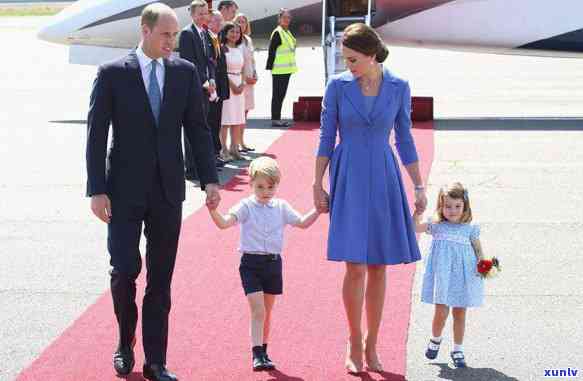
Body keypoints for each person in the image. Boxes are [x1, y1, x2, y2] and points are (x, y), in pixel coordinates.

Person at [86, 3, 220, 381]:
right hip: (122, 192)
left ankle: (156, 361)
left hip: (167, 193)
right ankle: (124, 342)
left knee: (161, 280)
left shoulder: (184, 72)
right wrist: (96, 189)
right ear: (144, 31)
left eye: (175, 34)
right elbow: (96, 136)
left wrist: (210, 179)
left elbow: (197, 128)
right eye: (165, 34)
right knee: (124, 271)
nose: (172, 41)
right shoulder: (112, 74)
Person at [312, 23, 427, 373]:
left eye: (353, 59)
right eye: (345, 59)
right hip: (348, 177)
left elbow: (404, 139)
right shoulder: (336, 86)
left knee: (378, 265)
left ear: (372, 55)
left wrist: (419, 186)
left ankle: (373, 343)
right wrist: (317, 183)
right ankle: (354, 338)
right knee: (355, 265)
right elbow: (325, 137)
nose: (348, 66)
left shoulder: (399, 86)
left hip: (384, 176)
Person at [207, 157, 323, 371]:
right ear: (251, 184)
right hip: (250, 264)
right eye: (260, 186)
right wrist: (213, 210)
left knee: (267, 312)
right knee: (258, 310)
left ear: (277, 184)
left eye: (271, 186)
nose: (266, 191)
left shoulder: (281, 206)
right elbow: (224, 224)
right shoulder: (246, 206)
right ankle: (257, 353)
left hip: (273, 264)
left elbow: (302, 223)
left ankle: (264, 350)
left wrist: (318, 210)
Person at [413, 183, 484, 369]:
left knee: (460, 312)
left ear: (465, 206)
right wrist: (417, 211)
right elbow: (414, 228)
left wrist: (483, 264)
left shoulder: (470, 228)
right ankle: (435, 339)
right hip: (443, 275)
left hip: (464, 274)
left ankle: (458, 349)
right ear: (441, 206)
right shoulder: (436, 226)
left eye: (457, 206)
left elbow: (478, 248)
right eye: (448, 206)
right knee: (441, 311)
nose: (452, 211)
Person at [179, 0, 216, 181]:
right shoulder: (187, 34)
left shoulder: (205, 33)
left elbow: (209, 60)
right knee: (192, 127)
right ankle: (191, 168)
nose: (203, 16)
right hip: (193, 88)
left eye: (205, 12)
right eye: (200, 13)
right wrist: (203, 81)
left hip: (206, 87)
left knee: (202, 126)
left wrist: (212, 79)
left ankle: (200, 164)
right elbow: (189, 62)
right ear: (192, 14)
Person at [266, 8, 297, 127]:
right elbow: (271, 50)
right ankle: (275, 119)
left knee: (281, 94)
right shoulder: (278, 32)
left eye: (288, 17)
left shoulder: (287, 32)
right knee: (277, 94)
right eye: (284, 17)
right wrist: (270, 67)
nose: (287, 20)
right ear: (279, 19)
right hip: (279, 69)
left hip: (286, 69)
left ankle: (277, 117)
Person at [219, 22, 245, 161]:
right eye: (232, 32)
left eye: (237, 32)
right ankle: (224, 149)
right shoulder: (222, 49)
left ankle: (234, 148)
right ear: (226, 33)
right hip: (227, 85)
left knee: (237, 119)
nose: (235, 34)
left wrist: (242, 84)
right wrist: (233, 85)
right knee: (226, 120)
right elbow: (222, 70)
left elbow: (242, 68)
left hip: (239, 84)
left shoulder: (239, 49)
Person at [207, 10, 230, 165]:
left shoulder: (217, 38)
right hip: (212, 89)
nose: (220, 24)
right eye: (217, 21)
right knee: (211, 122)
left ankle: (216, 154)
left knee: (216, 123)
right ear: (209, 22)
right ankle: (212, 155)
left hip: (220, 87)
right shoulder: (207, 38)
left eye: (221, 21)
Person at [235, 12, 257, 152]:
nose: (242, 23)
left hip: (250, 79)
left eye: (244, 21)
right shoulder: (234, 39)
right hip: (240, 80)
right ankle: (235, 143)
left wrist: (255, 73)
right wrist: (245, 78)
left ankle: (242, 141)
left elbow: (252, 59)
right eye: (239, 21)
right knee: (237, 113)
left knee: (245, 112)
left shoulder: (248, 39)